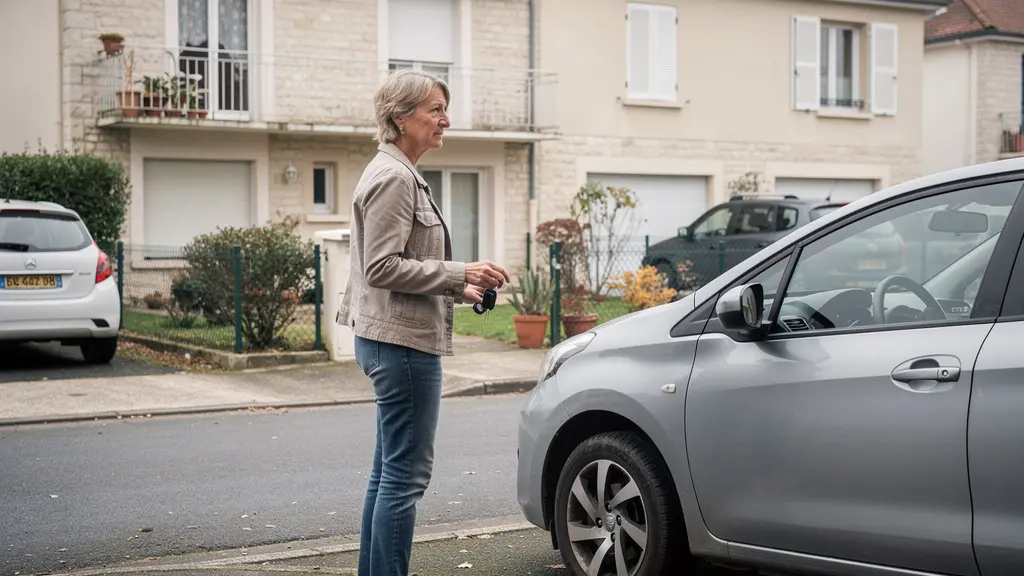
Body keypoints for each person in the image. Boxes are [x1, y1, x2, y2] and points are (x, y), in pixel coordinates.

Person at [336, 68, 511, 576]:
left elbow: (397, 264)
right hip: (403, 348)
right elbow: (382, 266)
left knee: (386, 473)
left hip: (387, 338)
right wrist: (461, 270)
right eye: (435, 110)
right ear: (400, 117)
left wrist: (462, 287)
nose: (446, 120)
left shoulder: (393, 170)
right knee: (405, 477)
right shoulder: (393, 177)